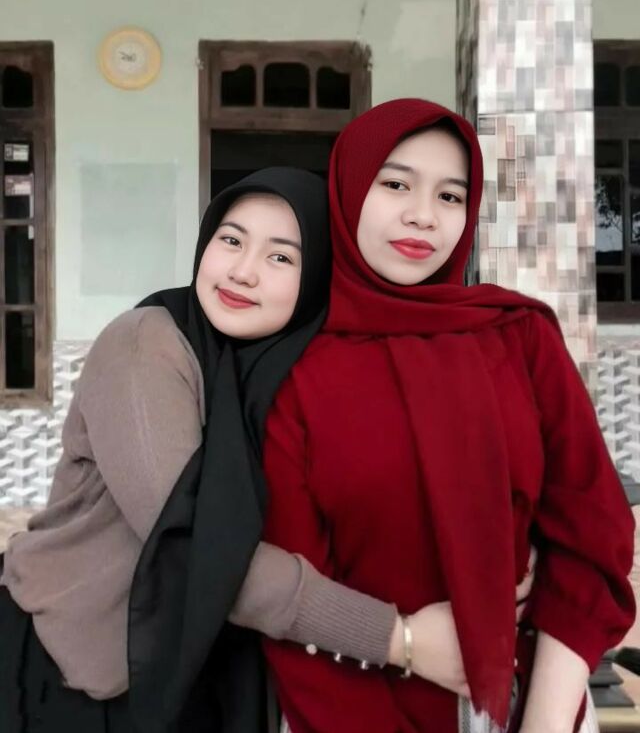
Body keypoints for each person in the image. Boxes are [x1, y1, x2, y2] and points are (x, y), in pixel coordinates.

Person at [0, 166, 532, 733]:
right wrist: (399, 639)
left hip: (208, 678)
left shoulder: (288, 379)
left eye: (281, 257)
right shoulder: (145, 347)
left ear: (318, 279)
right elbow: (198, 546)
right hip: (78, 669)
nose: (243, 270)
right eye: (231, 240)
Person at [261, 101, 636, 733]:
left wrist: (544, 723)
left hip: (527, 703)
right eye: (395, 184)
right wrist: (404, 645)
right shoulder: (291, 370)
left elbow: (591, 538)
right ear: (347, 191)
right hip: (347, 711)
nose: (423, 215)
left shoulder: (519, 336)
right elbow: (292, 592)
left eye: (450, 195)